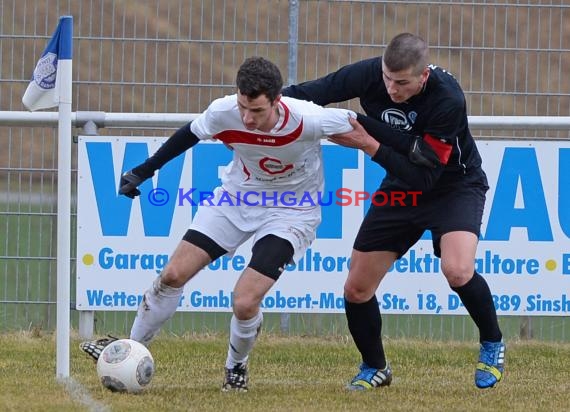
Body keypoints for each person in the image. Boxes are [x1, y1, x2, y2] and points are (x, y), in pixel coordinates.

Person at [80, 56, 357, 392]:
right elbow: (189, 135)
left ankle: (235, 368)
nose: (246, 118)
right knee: (172, 275)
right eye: (243, 107)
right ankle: (128, 350)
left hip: (292, 212)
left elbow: (365, 130)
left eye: (256, 111)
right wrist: (145, 169)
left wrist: (403, 155)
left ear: (277, 100)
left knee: (244, 301)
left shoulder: (309, 118)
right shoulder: (223, 111)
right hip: (236, 198)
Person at [282, 32, 505, 390]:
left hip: (453, 186)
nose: (392, 89)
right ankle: (376, 367)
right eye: (388, 78)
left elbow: (425, 173)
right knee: (356, 288)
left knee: (458, 270)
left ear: (423, 76)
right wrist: (261, 107)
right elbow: (310, 93)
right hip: (401, 186)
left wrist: (367, 139)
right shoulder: (369, 74)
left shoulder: (447, 98)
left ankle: (492, 342)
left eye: (402, 83)